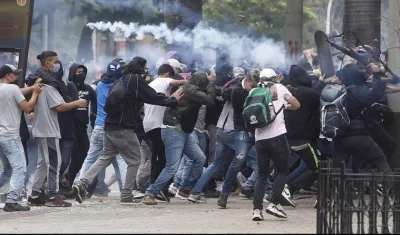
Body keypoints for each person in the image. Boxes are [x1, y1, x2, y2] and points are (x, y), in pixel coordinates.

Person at [72, 57, 183, 204]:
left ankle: (82, 182)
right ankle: (126, 194)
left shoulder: (120, 81)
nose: (146, 72)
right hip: (123, 128)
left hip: (109, 126)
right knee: (135, 160)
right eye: (144, 68)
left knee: (106, 156)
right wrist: (173, 101)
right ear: (140, 68)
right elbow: (151, 96)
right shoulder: (135, 80)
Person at [143, 71, 216, 205]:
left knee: (199, 159)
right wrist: (211, 82)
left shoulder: (190, 87)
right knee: (172, 166)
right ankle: (151, 193)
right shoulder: (191, 90)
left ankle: (185, 189)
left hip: (181, 129)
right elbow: (209, 100)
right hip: (174, 130)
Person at [27, 51, 88, 207]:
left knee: (42, 162)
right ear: (48, 64)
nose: (58, 65)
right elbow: (59, 106)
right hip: (48, 129)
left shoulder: (38, 82)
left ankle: (35, 195)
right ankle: (53, 196)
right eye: (56, 62)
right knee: (54, 162)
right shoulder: (49, 84)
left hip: (42, 127)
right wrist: (77, 103)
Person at [249, 68, 300, 220]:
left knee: (262, 174)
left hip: (259, 138)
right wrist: (285, 105)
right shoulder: (280, 88)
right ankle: (274, 203)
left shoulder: (253, 92)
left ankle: (257, 210)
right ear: (274, 78)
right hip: (277, 136)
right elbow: (297, 105)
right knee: (282, 170)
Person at [0, 64, 42, 212]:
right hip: (10, 135)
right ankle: (12, 201)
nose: (17, 77)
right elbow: (28, 107)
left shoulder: (7, 89)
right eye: (14, 74)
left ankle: (11, 198)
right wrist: (36, 93)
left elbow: (18, 92)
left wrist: (30, 89)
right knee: (20, 168)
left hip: (0, 136)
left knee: (8, 170)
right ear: (7, 76)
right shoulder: (12, 89)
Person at [143, 63, 186, 199]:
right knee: (164, 157)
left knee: (157, 155)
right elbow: (175, 81)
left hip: (148, 124)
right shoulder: (162, 80)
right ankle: (156, 187)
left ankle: (155, 185)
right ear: (167, 73)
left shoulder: (152, 84)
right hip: (157, 124)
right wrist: (190, 81)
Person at [67, 63, 97, 187]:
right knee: (72, 155)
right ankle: (66, 183)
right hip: (70, 127)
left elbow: (95, 105)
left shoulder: (88, 89)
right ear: (72, 73)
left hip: (83, 127)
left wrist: (94, 119)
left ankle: (70, 179)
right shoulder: (67, 87)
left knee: (84, 154)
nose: (81, 74)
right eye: (78, 72)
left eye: (83, 72)